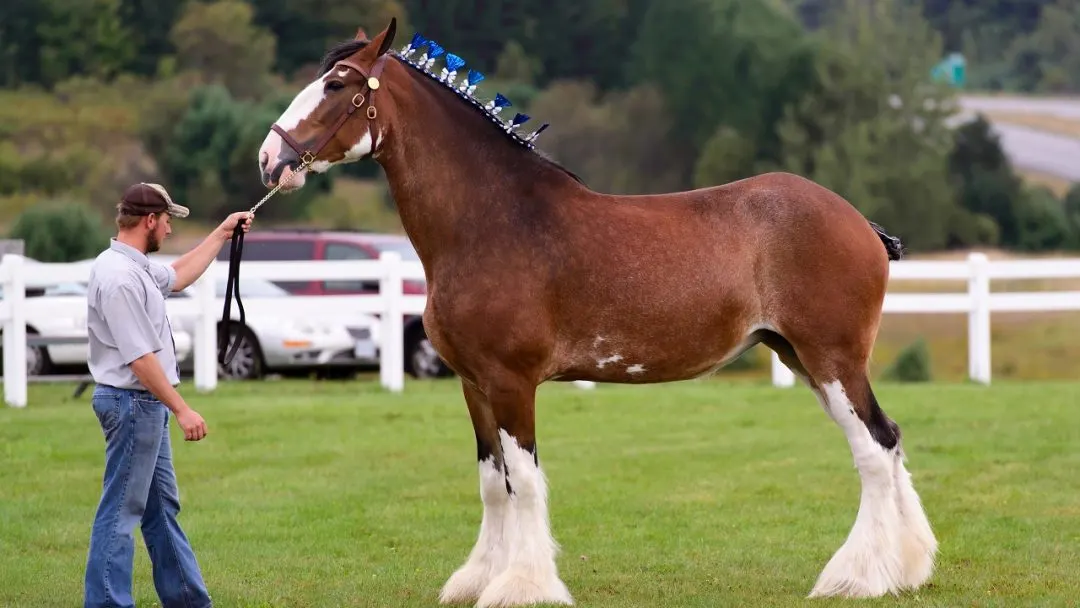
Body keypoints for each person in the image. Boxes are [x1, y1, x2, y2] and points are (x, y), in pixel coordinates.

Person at [83, 182, 252, 608]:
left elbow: (177, 276)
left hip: (143, 404)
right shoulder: (120, 277)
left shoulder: (133, 265)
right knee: (120, 514)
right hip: (134, 403)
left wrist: (222, 232)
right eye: (168, 221)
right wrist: (182, 409)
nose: (171, 231)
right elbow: (140, 358)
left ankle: (188, 601)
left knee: (160, 511)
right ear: (150, 221)